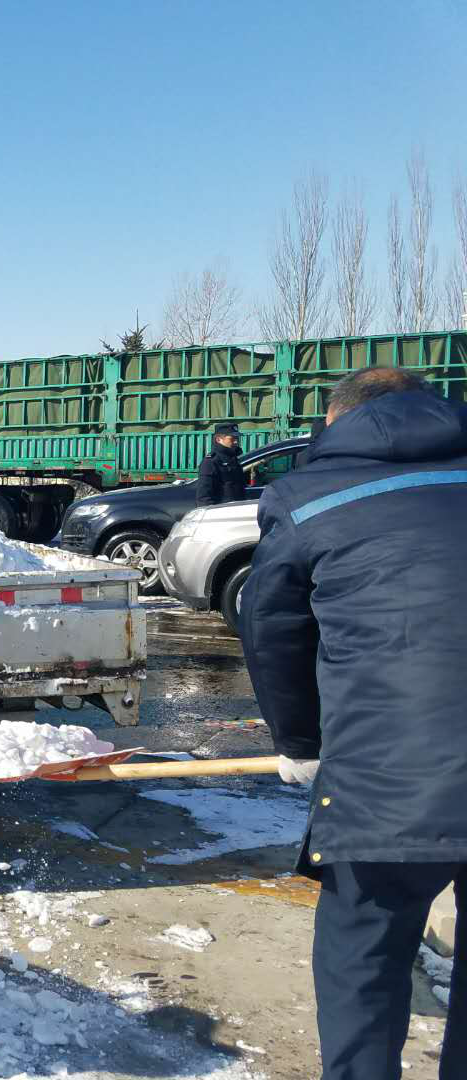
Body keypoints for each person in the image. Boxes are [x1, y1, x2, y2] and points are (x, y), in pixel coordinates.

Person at [239, 366, 467, 1080]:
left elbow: (273, 629)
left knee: (362, 962)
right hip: (403, 766)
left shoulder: (310, 497)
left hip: (388, 779)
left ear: (336, 423)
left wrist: (299, 742)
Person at [194, 422, 246, 507]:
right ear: (218, 439)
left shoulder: (233, 459)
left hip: (236, 509)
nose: (236, 442)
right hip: (221, 512)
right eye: (232, 438)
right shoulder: (211, 462)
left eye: (237, 438)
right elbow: (204, 497)